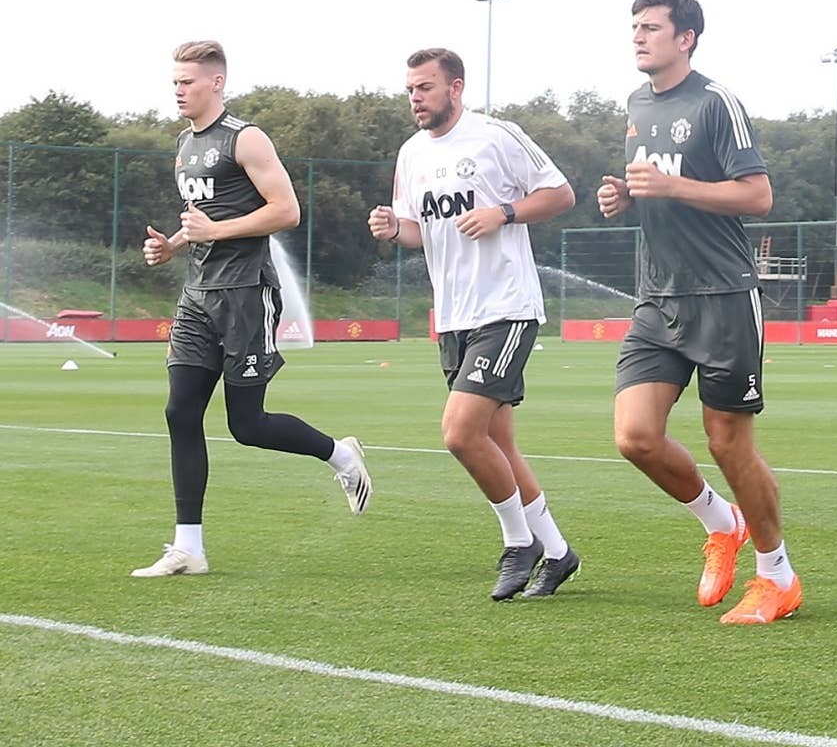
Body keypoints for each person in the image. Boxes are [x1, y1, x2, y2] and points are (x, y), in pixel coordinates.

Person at [597, 0, 801, 624]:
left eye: (651, 27)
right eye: (634, 26)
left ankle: (777, 577)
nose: (638, 36)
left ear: (685, 38)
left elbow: (758, 196)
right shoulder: (635, 104)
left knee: (728, 444)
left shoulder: (716, 103)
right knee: (635, 436)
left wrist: (672, 185)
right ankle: (721, 522)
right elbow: (656, 189)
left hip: (723, 297)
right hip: (657, 298)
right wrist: (626, 197)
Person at [134, 40, 372, 578]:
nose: (178, 90)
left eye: (187, 81)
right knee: (179, 412)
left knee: (247, 424)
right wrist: (172, 245)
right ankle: (188, 548)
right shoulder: (184, 143)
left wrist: (215, 232)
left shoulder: (246, 138)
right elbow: (203, 215)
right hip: (198, 295)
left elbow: (286, 211)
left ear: (216, 82)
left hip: (246, 294)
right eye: (174, 82)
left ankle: (339, 454)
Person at [368, 48, 578, 600]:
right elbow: (418, 232)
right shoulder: (411, 153)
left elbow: (560, 194)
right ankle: (558, 553)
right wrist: (392, 229)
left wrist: (503, 212)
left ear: (455, 88)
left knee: (460, 433)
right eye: (410, 90)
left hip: (505, 309)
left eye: (425, 87)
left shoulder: (495, 136)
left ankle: (519, 542)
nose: (415, 98)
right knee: (497, 444)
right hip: (454, 317)